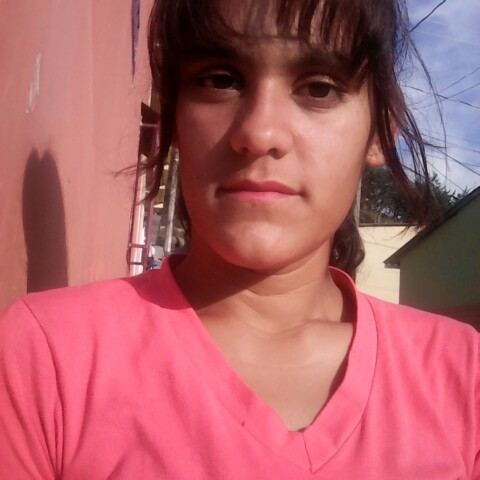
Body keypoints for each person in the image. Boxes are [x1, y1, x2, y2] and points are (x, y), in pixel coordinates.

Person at [1, 0, 479, 478]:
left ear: (380, 131)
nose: (259, 132)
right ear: (173, 116)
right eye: (219, 80)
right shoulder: (42, 357)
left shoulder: (464, 374)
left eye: (319, 88)